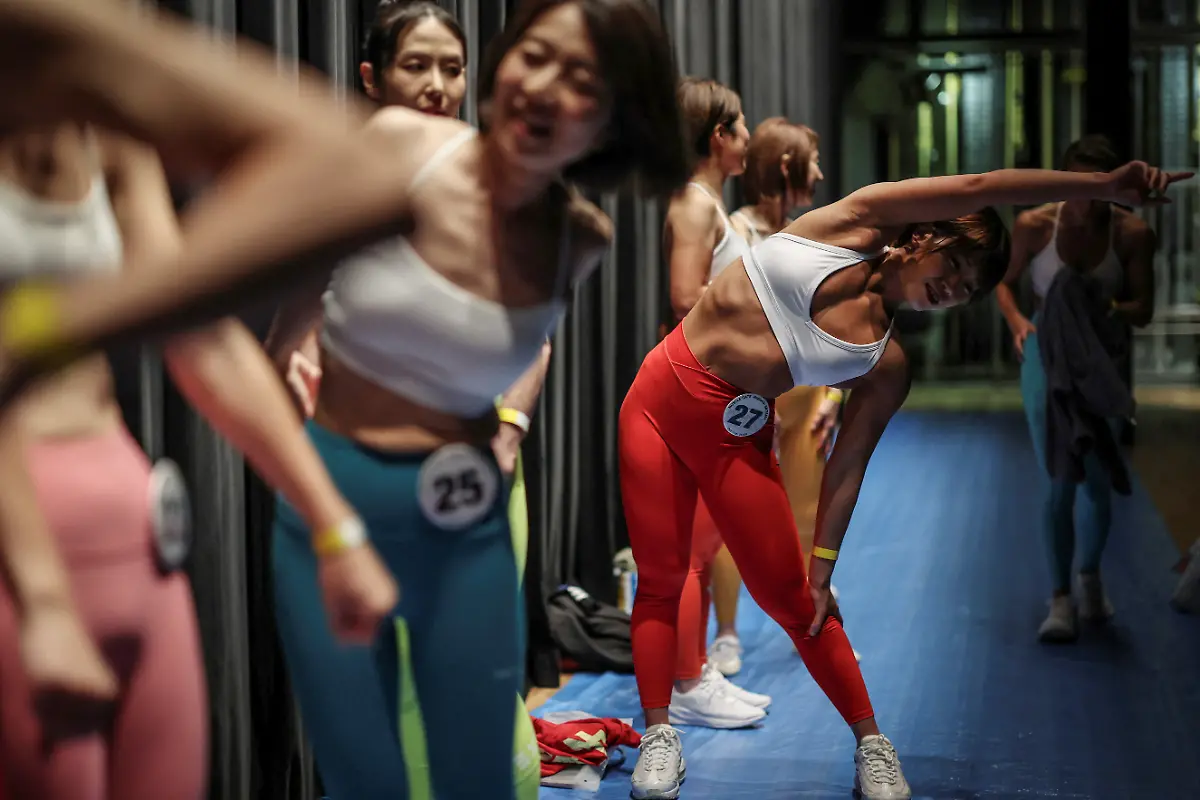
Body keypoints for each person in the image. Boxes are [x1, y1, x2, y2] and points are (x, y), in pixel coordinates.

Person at [620, 157, 1187, 800]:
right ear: (929, 238)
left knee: (799, 602)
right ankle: (659, 735)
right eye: (955, 271)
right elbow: (981, 187)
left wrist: (823, 562)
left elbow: (848, 464)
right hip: (657, 402)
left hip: (735, 435)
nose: (955, 291)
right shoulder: (853, 221)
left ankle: (872, 746)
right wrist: (1102, 187)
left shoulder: (886, 364)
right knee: (661, 579)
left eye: (970, 292)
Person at [257, 2, 689, 798]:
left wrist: (509, 433)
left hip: (469, 511)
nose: (546, 88)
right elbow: (268, 321)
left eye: (584, 80)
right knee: (364, 775)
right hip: (334, 496)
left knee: (478, 770)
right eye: (535, 55)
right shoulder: (388, 143)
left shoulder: (581, 238)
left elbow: (529, 344)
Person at [0, 123, 397, 799]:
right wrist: (42, 600)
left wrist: (335, 525)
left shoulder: (108, 139)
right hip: (22, 552)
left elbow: (201, 339)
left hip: (134, 531)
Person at [267, 3, 546, 796]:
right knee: (371, 707)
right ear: (372, 76)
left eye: (451, 69)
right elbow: (286, 332)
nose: (435, 85)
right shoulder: (330, 183)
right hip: (354, 481)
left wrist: (508, 433)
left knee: (474, 695)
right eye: (415, 65)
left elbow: (536, 339)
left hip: (478, 469)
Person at [995, 135, 1158, 643]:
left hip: (1102, 361)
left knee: (1100, 483)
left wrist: (1105, 307)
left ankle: (1089, 574)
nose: (1088, 197)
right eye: (1079, 184)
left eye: (1099, 186)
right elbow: (1001, 281)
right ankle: (1060, 595)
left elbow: (1144, 310)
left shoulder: (1131, 233)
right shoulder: (1034, 226)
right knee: (1059, 478)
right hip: (1048, 358)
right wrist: (1019, 321)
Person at [656, 76, 774, 731]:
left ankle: (693, 675)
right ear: (718, 138)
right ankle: (688, 681)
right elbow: (683, 297)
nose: (749, 138)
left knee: (704, 542)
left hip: (718, 389)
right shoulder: (696, 206)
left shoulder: (708, 205)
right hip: (699, 391)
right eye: (741, 126)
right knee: (693, 549)